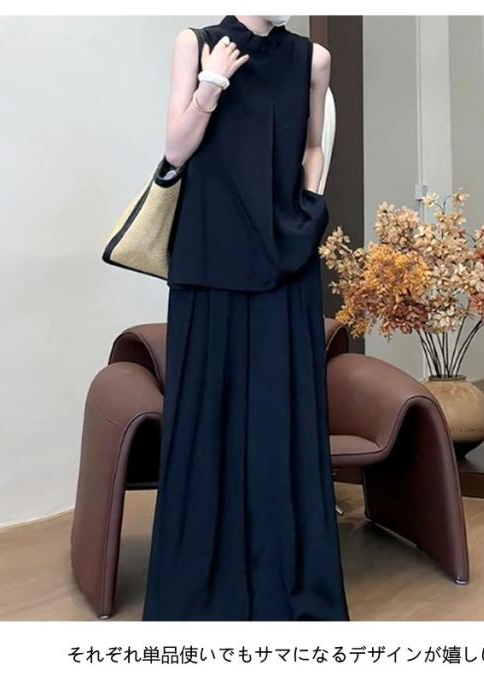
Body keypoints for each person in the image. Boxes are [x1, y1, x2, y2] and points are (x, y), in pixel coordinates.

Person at [142, 14, 350, 621]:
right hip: (210, 257)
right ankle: (200, 590)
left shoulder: (313, 59)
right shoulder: (196, 43)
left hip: (286, 259)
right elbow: (175, 151)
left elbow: (312, 145)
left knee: (281, 418)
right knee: (206, 417)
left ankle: (286, 582)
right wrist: (210, 85)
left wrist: (310, 207)